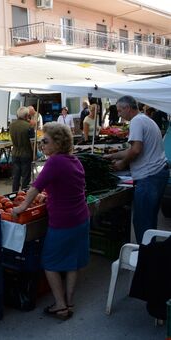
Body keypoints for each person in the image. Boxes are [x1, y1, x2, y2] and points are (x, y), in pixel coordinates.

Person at [13, 122, 89, 321]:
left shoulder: (54, 162)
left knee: (50, 263)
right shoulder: (74, 160)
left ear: (58, 142)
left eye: (45, 141)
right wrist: (51, 196)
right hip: (81, 219)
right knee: (72, 262)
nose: (42, 145)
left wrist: (21, 208)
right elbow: (71, 188)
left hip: (63, 222)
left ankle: (61, 306)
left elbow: (35, 188)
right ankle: (70, 301)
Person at [104, 96, 169, 243]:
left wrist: (122, 164)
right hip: (158, 174)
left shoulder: (136, 122)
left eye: (120, 110)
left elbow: (136, 150)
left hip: (149, 177)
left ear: (128, 108)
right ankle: (150, 254)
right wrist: (113, 156)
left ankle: (144, 259)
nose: (119, 114)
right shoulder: (145, 119)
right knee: (149, 221)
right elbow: (133, 149)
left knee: (142, 223)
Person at [9, 107, 33, 192]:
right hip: (26, 154)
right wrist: (35, 154)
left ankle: (14, 194)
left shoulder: (11, 125)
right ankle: (24, 195)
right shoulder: (29, 126)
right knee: (26, 177)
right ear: (27, 115)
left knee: (16, 176)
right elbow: (32, 142)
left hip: (15, 153)